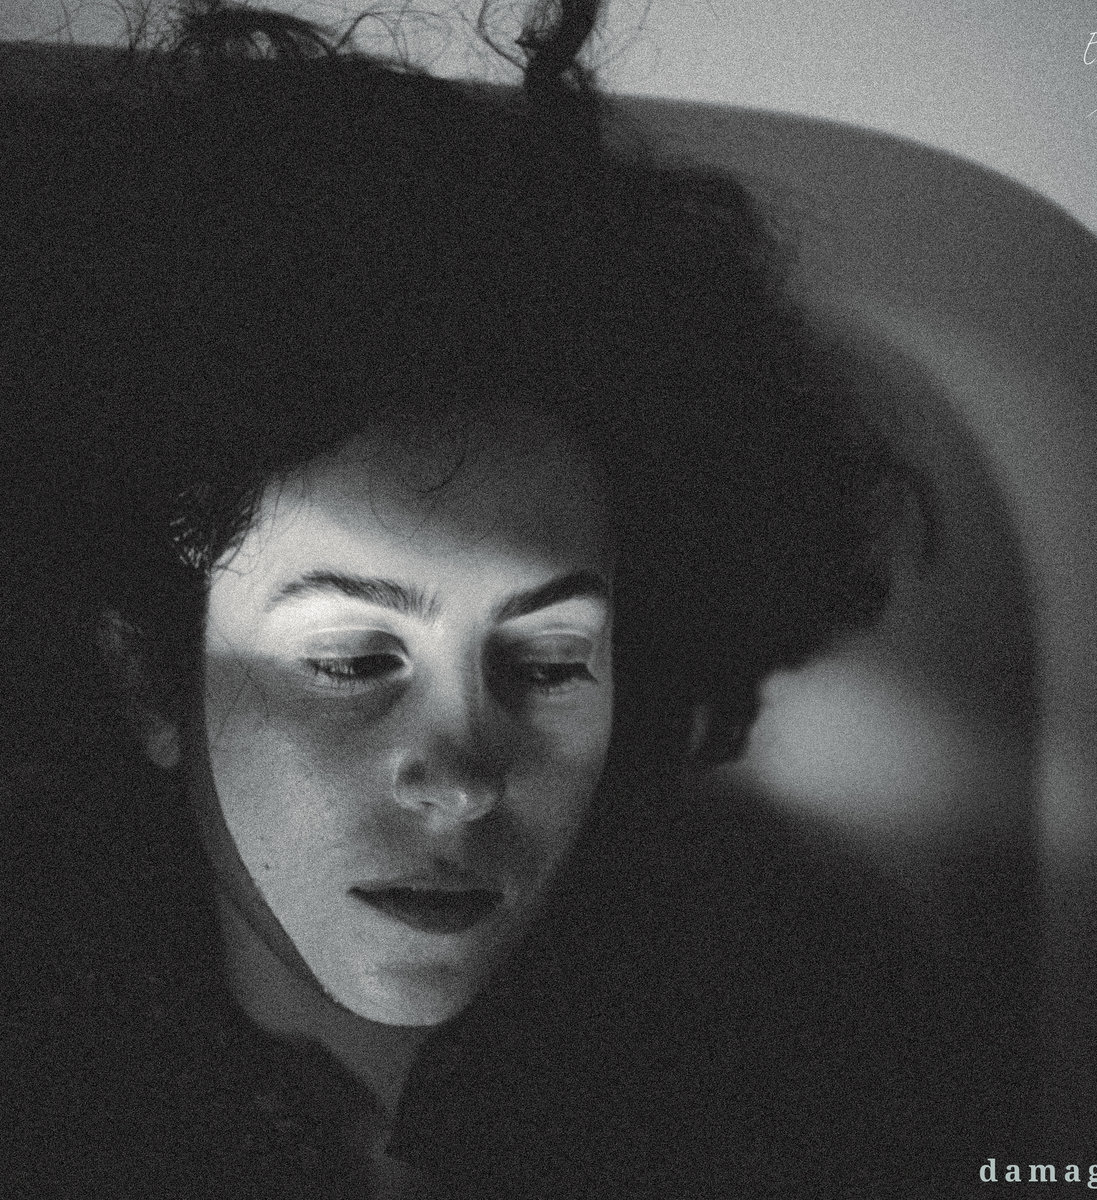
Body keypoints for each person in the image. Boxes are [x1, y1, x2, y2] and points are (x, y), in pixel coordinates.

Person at [3, 2, 981, 1196]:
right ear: (151, 679)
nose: (464, 778)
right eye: (352, 661)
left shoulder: (797, 1074)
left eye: (548, 664)